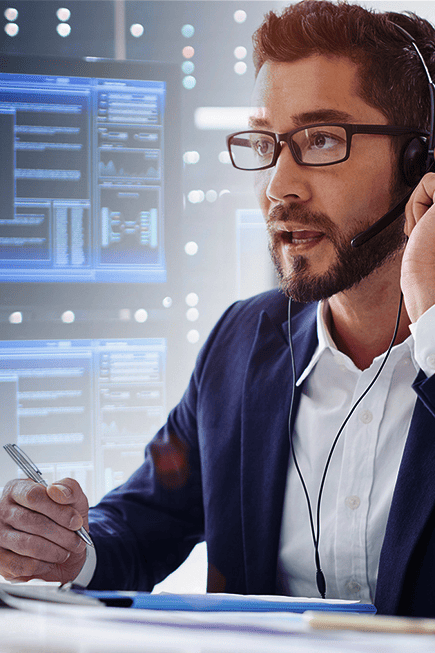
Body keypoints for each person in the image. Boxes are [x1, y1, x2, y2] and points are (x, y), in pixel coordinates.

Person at [1, 0, 435, 617]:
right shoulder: (243, 339)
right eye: (268, 143)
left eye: (320, 139)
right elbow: (147, 517)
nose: (278, 186)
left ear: (423, 161)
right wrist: (66, 550)